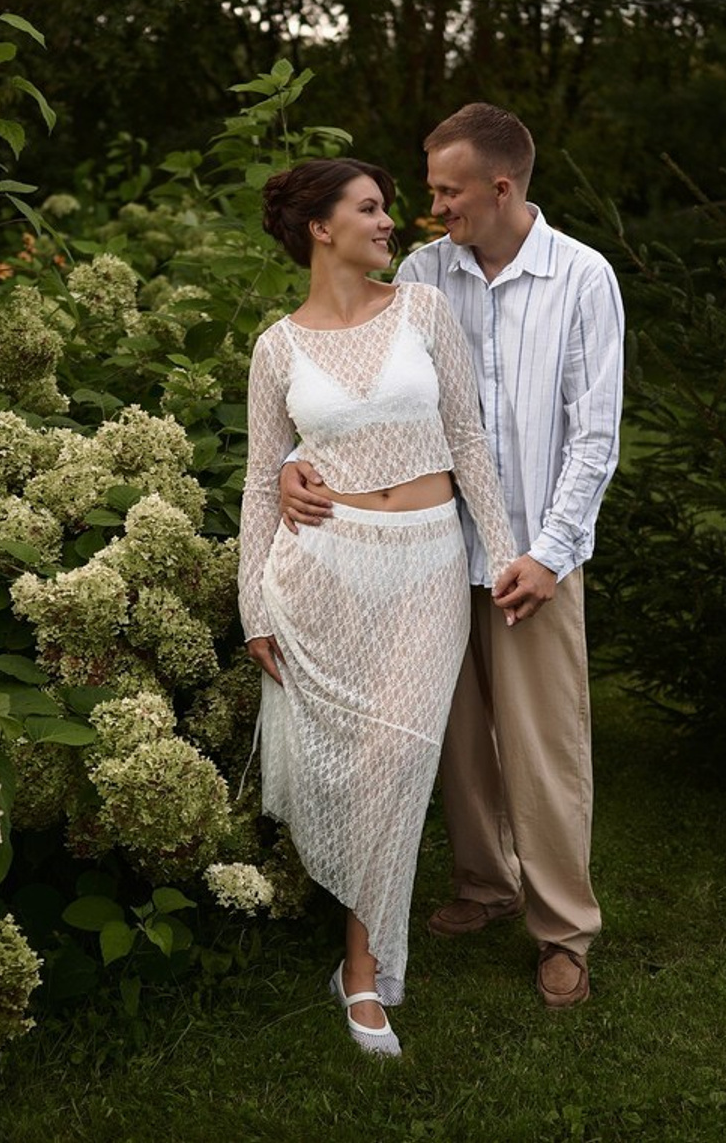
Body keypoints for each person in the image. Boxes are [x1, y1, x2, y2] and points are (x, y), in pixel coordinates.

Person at [281, 105, 624, 1009]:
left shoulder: (581, 278)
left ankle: (563, 930)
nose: (429, 209)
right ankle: (485, 883)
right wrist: (290, 464)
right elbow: (362, 392)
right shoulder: (423, 276)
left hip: (532, 562)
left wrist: (548, 554)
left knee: (544, 751)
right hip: (428, 555)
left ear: (499, 188)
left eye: (446, 191)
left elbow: (594, 437)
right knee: (459, 744)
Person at [239, 157, 529, 1057]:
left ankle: (362, 970)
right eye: (368, 208)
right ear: (319, 227)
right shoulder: (277, 347)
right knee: (348, 767)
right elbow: (259, 479)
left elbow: (468, 441)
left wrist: (506, 556)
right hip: (322, 572)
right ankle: (365, 967)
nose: (387, 222)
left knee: (397, 759)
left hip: (425, 566)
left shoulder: (423, 311)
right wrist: (252, 608)